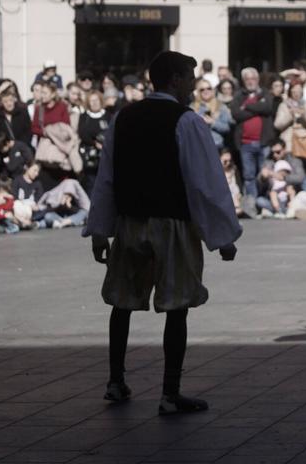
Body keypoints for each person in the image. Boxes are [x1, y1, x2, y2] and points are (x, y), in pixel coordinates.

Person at [84, 51, 241, 415]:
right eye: (189, 79)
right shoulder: (187, 121)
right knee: (177, 305)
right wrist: (222, 238)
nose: (193, 87)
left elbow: (107, 176)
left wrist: (100, 230)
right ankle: (170, 394)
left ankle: (116, 381)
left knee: (122, 302)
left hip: (130, 221)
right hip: (172, 224)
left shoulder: (124, 117)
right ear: (175, 80)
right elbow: (205, 183)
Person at [231, 67, 276, 214]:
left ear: (258, 79)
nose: (250, 81)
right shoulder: (239, 95)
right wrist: (258, 108)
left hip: (264, 142)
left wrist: (248, 106)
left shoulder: (265, 93)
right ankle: (252, 205)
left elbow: (268, 108)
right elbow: (236, 114)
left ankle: (264, 203)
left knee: (264, 175)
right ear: (243, 81)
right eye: (247, 79)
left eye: (253, 78)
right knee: (249, 176)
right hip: (246, 144)